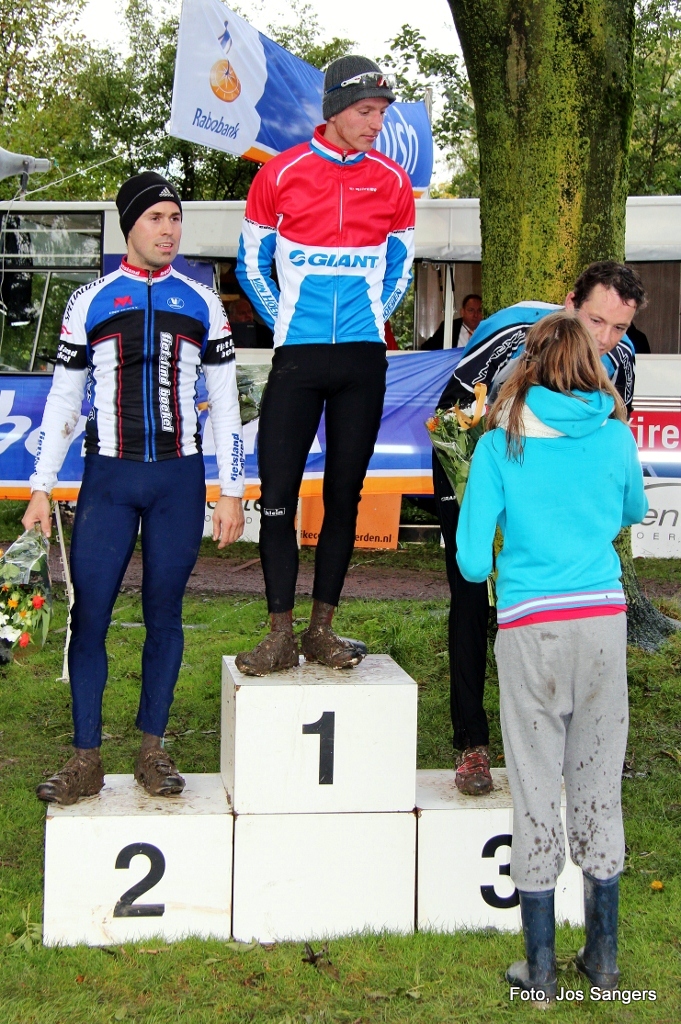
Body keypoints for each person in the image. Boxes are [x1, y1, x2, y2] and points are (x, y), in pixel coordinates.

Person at [23, 172, 245, 806]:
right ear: (130, 226)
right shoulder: (89, 300)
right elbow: (64, 402)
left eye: (176, 218)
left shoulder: (203, 301)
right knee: (89, 614)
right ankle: (86, 758)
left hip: (179, 479)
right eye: (156, 218)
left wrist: (232, 489)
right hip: (110, 479)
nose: (169, 230)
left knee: (164, 614)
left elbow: (226, 403)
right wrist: (42, 486)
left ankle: (152, 750)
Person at [456, 312, 647, 999]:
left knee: (536, 784)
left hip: (530, 628)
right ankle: (603, 961)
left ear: (528, 364)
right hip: (601, 624)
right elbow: (632, 509)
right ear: (594, 365)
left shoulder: (497, 444)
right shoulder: (616, 434)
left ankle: (538, 970)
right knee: (598, 783)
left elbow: (471, 563)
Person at [433, 261, 646, 795]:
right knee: (470, 594)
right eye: (596, 321)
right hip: (478, 463)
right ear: (571, 303)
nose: (605, 339)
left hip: (550, 499)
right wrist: (477, 497)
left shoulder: (622, 359)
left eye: (620, 327)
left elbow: (612, 443)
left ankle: (588, 741)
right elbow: (451, 416)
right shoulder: (509, 335)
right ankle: (472, 743)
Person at [235, 56, 415, 675]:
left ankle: (321, 630)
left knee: (345, 496)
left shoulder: (392, 181)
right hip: (298, 358)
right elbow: (250, 264)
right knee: (278, 495)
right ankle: (278, 634)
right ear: (334, 109)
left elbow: (401, 267)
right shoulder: (280, 173)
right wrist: (287, 324)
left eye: (382, 113)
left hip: (363, 361)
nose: (375, 123)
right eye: (365, 111)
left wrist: (371, 322)